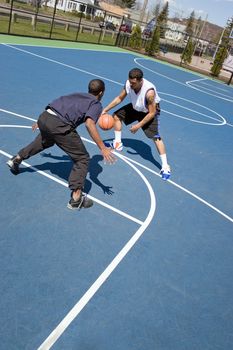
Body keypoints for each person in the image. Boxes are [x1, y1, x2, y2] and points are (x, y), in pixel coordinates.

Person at [7, 79, 116, 210]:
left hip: (45, 116)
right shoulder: (96, 104)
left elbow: (55, 105)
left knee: (45, 140)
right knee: (82, 158)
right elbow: (89, 123)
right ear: (101, 92)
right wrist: (103, 148)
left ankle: (17, 158)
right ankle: (76, 199)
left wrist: (43, 123)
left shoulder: (77, 95)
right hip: (59, 125)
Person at [102, 68, 171, 180]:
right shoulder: (129, 84)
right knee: (116, 116)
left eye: (133, 83)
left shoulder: (149, 93)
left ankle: (165, 166)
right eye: (130, 81)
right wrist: (105, 110)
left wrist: (138, 126)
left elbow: (152, 113)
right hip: (136, 107)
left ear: (140, 81)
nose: (131, 84)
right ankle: (118, 143)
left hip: (148, 112)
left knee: (156, 137)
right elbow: (119, 98)